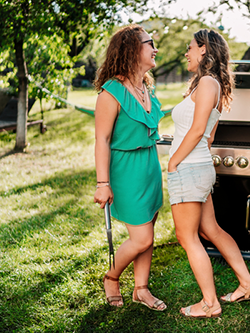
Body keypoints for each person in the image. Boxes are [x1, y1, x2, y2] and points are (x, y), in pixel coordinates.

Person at [167, 29, 250, 318]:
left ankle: (209, 303)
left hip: (189, 168)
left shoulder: (208, 83)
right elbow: (207, 136)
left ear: (204, 49)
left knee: (187, 237)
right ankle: (247, 284)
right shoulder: (210, 84)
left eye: (190, 47)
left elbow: (198, 132)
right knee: (211, 230)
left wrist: (173, 163)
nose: (187, 53)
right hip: (198, 166)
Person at [93, 24, 167, 311]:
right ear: (133, 49)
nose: (155, 49)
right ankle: (112, 277)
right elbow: (102, 139)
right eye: (150, 43)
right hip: (125, 170)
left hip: (150, 165)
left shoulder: (146, 87)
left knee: (148, 230)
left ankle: (141, 289)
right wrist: (103, 183)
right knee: (142, 237)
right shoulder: (111, 92)